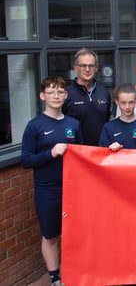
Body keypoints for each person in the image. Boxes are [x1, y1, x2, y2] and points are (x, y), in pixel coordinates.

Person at [21, 77, 83, 286]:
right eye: (51, 92)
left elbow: (83, 155)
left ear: (65, 95)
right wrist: (50, 153)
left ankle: (72, 273)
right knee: (51, 236)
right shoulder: (34, 126)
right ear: (42, 96)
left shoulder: (73, 124)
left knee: (72, 234)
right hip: (47, 191)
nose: (56, 96)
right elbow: (26, 160)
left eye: (59, 92)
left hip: (71, 189)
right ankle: (55, 278)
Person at [62, 48, 112, 145]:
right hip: (76, 152)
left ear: (96, 68)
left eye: (91, 66)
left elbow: (106, 121)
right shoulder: (66, 93)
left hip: (100, 151)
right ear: (75, 68)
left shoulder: (104, 92)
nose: (87, 69)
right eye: (83, 66)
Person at [99, 83, 136, 151]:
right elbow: (101, 155)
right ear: (117, 102)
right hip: (116, 162)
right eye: (123, 103)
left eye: (131, 102)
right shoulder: (108, 127)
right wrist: (110, 149)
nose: (127, 107)